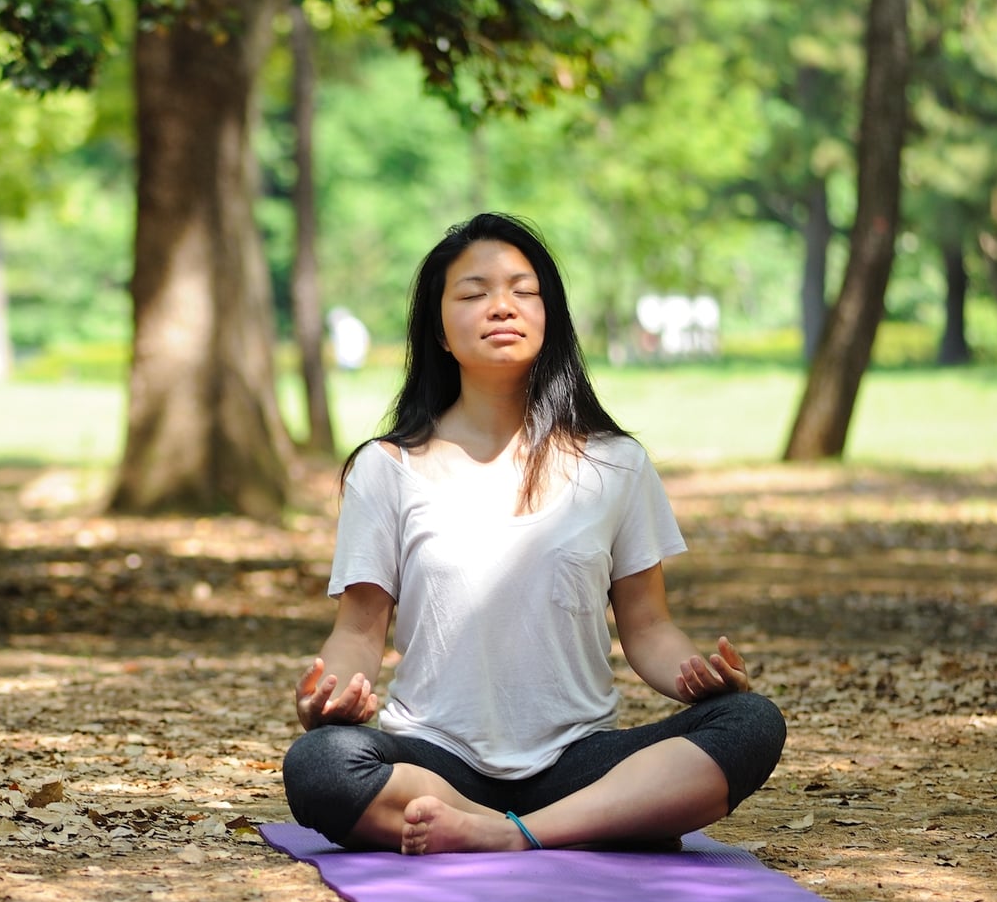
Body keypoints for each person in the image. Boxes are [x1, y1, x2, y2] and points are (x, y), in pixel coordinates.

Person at [283, 213, 783, 854]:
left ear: (550, 317)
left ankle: (508, 834)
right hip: (437, 759)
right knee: (320, 765)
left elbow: (649, 627)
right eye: (472, 293)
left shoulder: (615, 464)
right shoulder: (385, 470)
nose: (501, 307)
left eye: (524, 291)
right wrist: (332, 696)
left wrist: (696, 675)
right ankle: (571, 824)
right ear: (437, 328)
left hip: (578, 762)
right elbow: (358, 632)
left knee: (750, 722)